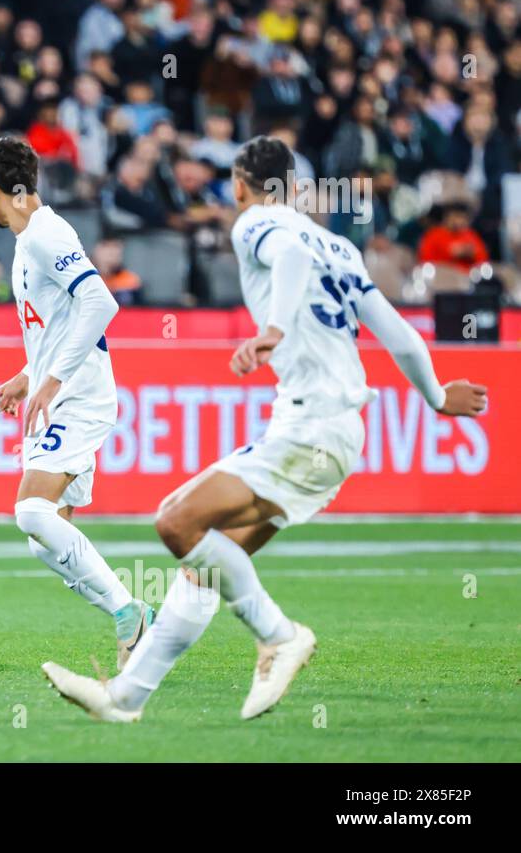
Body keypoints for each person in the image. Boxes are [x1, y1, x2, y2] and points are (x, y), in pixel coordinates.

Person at [43, 136, 487, 722]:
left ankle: (279, 635)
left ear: (242, 186)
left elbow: (291, 261)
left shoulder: (253, 223)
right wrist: (435, 395)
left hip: (312, 424)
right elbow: (400, 333)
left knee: (176, 521)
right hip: (335, 434)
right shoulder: (339, 247)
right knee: (206, 565)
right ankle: (127, 698)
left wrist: (274, 329)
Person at [0, 137, 152, 669]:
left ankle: (129, 613)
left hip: (77, 399)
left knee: (31, 512)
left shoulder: (46, 235)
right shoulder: (32, 237)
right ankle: (139, 622)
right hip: (60, 394)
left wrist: (50, 381)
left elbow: (101, 302)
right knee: (44, 538)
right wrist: (29, 376)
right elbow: (65, 323)